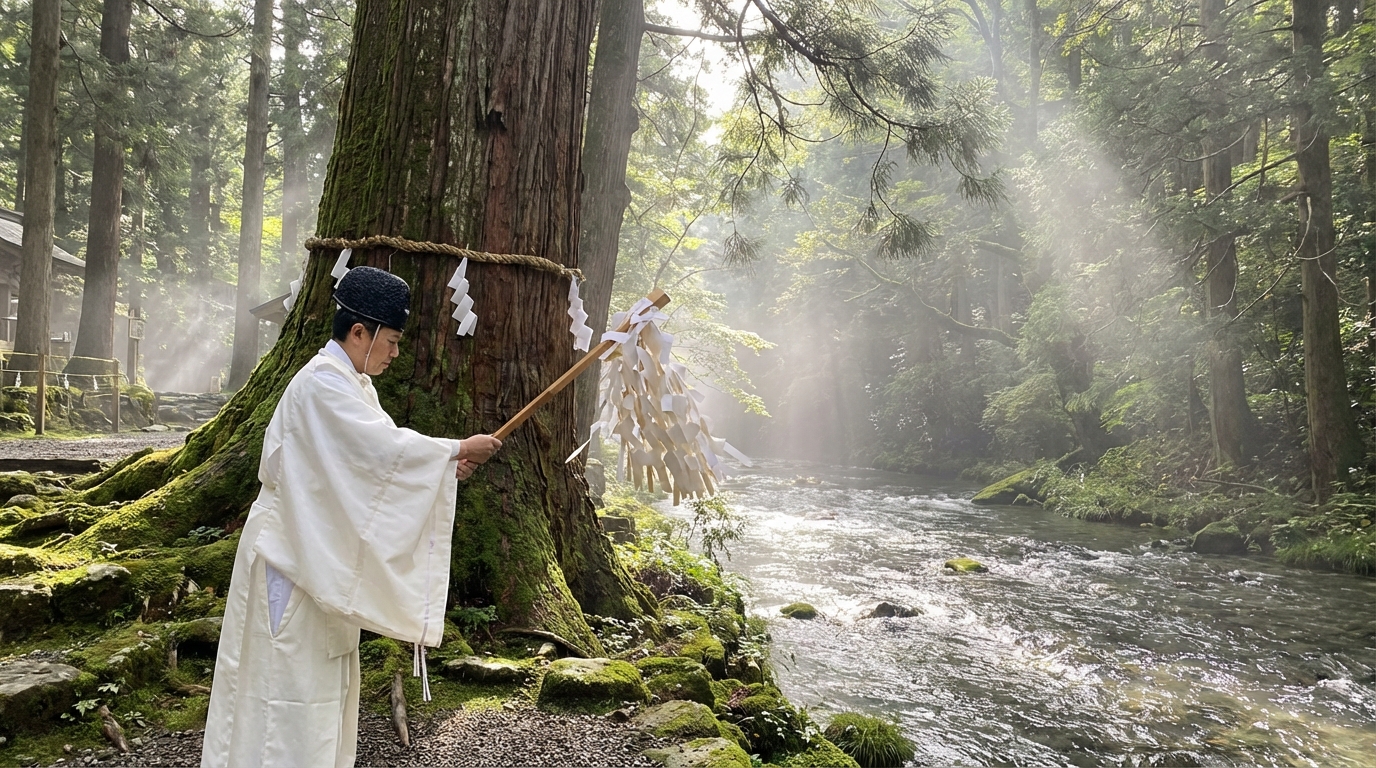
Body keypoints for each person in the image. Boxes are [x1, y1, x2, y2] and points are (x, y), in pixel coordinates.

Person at [200, 266, 501, 768]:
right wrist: (451, 451)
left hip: (316, 552)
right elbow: (382, 452)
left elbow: (374, 467)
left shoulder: (353, 386)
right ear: (359, 331)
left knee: (318, 689)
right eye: (392, 340)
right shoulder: (321, 385)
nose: (395, 352)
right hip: (290, 557)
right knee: (283, 692)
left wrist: (445, 469)